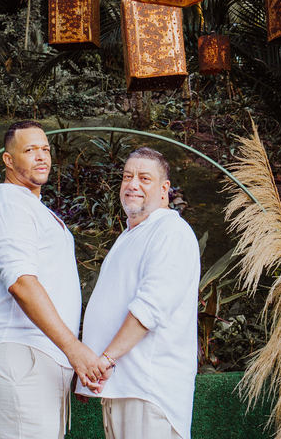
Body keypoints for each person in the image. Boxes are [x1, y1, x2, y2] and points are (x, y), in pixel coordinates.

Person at [0, 120, 103, 439]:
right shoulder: (11, 205)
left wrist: (68, 357)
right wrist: (73, 349)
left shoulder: (31, 207)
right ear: (8, 159)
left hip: (39, 356)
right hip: (19, 351)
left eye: (45, 149)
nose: (41, 156)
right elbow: (21, 283)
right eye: (30, 150)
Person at [77, 147, 201, 439]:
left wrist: (104, 361)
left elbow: (150, 309)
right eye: (127, 176)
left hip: (149, 390)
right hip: (121, 386)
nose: (133, 184)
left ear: (164, 189)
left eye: (144, 178)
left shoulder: (172, 232)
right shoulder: (131, 235)